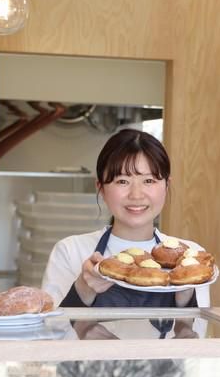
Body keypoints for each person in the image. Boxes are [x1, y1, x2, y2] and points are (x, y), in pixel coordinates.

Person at [42, 129, 210, 310]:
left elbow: (198, 328)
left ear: (166, 186)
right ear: (101, 188)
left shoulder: (190, 259)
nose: (136, 195)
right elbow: (50, 327)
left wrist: (184, 298)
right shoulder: (70, 251)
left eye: (149, 181)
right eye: (122, 181)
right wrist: (83, 289)